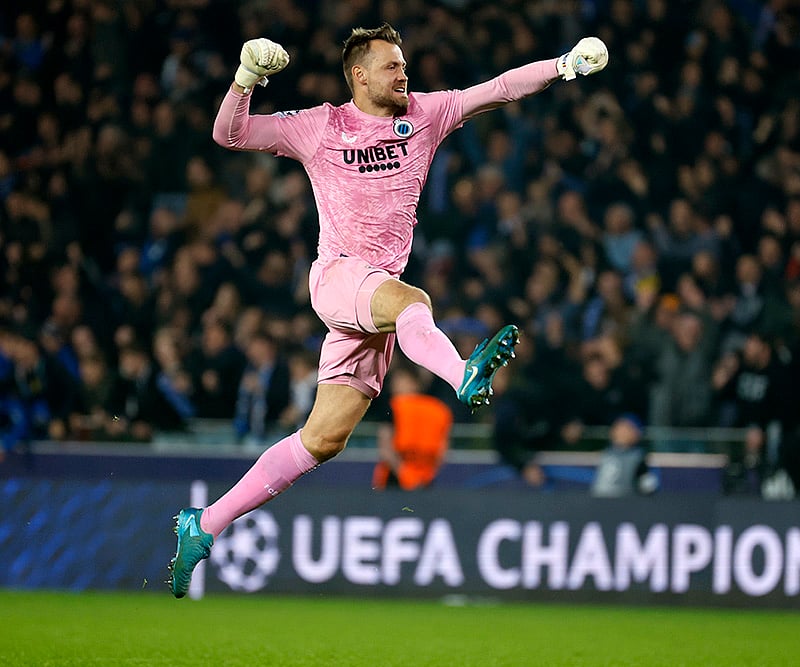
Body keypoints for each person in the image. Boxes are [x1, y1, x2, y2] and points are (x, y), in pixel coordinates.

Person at [168, 24, 609, 597]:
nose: (405, 74)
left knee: (322, 441)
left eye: (405, 65)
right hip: (340, 279)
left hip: (375, 302)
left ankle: (203, 525)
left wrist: (564, 65)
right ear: (360, 74)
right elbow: (229, 135)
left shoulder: (426, 115)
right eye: (393, 66)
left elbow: (498, 88)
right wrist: (246, 81)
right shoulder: (320, 126)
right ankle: (462, 374)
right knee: (415, 302)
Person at [372, 364, 452, 491]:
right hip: (426, 479)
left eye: (400, 380)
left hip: (394, 478)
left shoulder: (393, 407)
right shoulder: (440, 409)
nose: (394, 385)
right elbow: (443, 452)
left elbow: (385, 448)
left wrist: (404, 474)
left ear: (414, 382)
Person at [590, 413, 659, 498]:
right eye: (618, 428)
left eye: (626, 429)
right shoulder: (606, 453)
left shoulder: (638, 457)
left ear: (636, 433)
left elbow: (646, 484)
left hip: (623, 504)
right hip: (599, 501)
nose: (620, 432)